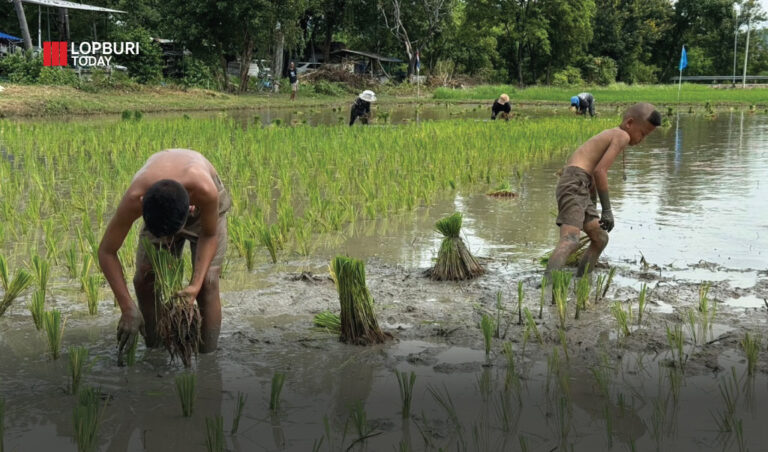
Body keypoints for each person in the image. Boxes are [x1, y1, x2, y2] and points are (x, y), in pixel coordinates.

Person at [98, 149, 231, 365]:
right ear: (143, 205)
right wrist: (127, 307)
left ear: (191, 208)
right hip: (162, 207)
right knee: (144, 279)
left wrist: (194, 286)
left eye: (172, 235)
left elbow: (209, 235)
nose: (169, 242)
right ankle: (155, 350)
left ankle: (208, 360)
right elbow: (106, 251)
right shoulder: (135, 198)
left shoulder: (205, 191)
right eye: (164, 237)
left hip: (201, 207)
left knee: (208, 282)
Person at [544, 103, 661, 283]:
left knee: (600, 238)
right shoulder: (622, 135)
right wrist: (607, 210)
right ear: (629, 123)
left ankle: (582, 281)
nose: (642, 139)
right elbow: (600, 172)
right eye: (643, 134)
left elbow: (591, 177)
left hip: (581, 185)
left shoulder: (614, 134)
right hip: (574, 183)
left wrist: (593, 208)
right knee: (571, 239)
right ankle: (546, 286)